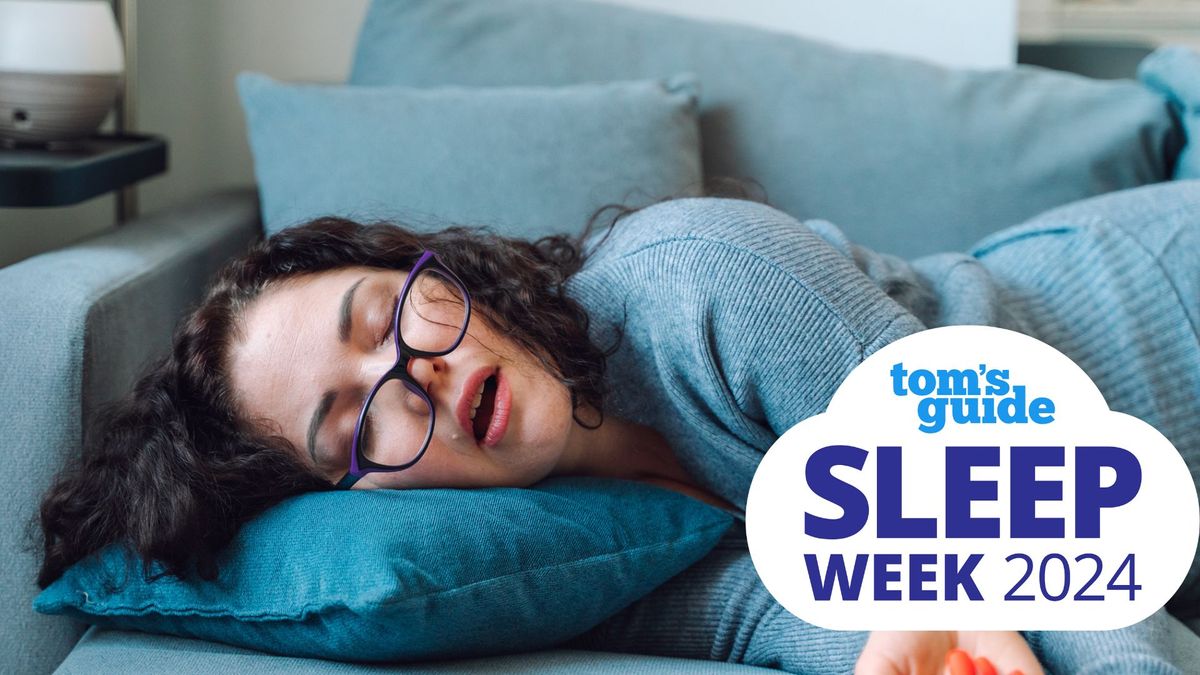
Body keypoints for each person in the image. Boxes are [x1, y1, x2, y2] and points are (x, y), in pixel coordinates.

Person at [31, 178, 1200, 674]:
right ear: (355, 499)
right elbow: (773, 610)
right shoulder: (561, 546)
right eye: (355, 421)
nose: (418, 375)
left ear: (445, 272)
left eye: (390, 314)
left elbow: (1019, 519)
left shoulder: (700, 277)